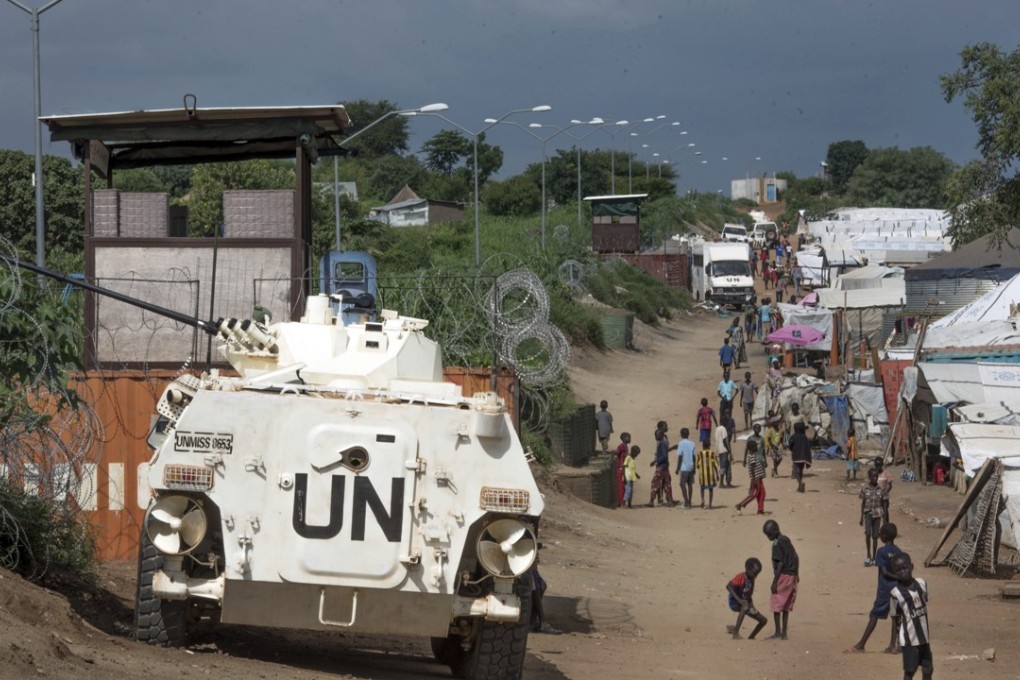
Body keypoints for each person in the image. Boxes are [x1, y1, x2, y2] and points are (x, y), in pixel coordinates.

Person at [846, 522, 902, 654]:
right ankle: (892, 645)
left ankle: (861, 644)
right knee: (895, 616)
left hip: (885, 588)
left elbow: (884, 572)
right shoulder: (898, 551)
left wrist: (893, 577)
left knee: (874, 615)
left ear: (884, 536)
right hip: (897, 588)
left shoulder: (881, 552)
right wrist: (899, 578)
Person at [889, 552, 933, 680]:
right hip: (909, 640)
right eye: (898, 570)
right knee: (910, 671)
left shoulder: (922, 584)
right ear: (894, 572)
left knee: (928, 668)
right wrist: (893, 642)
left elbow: (924, 601)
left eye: (905, 568)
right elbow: (895, 619)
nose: (902, 572)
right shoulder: (895, 593)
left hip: (924, 637)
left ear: (911, 567)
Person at [762, 519, 799, 640]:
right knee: (786, 605)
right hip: (792, 576)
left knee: (776, 604)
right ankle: (784, 634)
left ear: (775, 531)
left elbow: (780, 564)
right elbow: (796, 556)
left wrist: (774, 582)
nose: (768, 537)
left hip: (782, 576)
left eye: (769, 535)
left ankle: (778, 632)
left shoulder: (777, 544)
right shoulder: (786, 539)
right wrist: (796, 574)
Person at [726, 557, 768, 640]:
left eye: (757, 574)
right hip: (734, 602)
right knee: (744, 607)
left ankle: (751, 638)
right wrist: (740, 601)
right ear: (748, 569)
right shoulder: (740, 577)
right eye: (754, 573)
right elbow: (729, 586)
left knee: (763, 620)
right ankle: (735, 634)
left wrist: (753, 608)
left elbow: (749, 596)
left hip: (746, 603)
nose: (755, 576)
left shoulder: (751, 580)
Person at [860, 468, 888, 565]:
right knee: (868, 534)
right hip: (868, 513)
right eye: (873, 476)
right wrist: (861, 517)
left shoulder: (881, 489)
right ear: (869, 477)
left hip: (877, 514)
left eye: (876, 476)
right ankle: (868, 555)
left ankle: (874, 557)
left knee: (875, 536)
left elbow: (884, 503)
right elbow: (863, 503)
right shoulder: (865, 489)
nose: (875, 478)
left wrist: (884, 518)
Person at [736, 440, 767, 515]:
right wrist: (754, 480)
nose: (757, 447)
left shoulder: (752, 455)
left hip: (758, 478)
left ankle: (760, 510)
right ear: (752, 448)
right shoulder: (751, 456)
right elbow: (752, 469)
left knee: (762, 493)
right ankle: (740, 505)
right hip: (756, 479)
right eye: (755, 446)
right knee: (753, 494)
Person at [648, 426, 676, 507]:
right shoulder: (663, 443)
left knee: (655, 482)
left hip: (661, 466)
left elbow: (664, 456)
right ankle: (670, 501)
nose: (655, 437)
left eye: (656, 435)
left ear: (661, 435)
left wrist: (655, 461)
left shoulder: (662, 444)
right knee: (667, 483)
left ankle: (651, 501)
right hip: (665, 466)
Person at [675, 427, 697, 508]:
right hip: (691, 466)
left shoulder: (681, 443)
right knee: (690, 484)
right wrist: (694, 467)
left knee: (682, 484)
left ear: (681, 435)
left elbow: (680, 457)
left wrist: (677, 468)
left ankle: (686, 501)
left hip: (684, 467)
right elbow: (694, 457)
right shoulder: (692, 443)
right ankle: (690, 501)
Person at [695, 440, 720, 509]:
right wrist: (717, 474)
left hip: (702, 474)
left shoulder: (699, 453)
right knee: (711, 489)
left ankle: (702, 499)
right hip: (710, 474)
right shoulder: (712, 453)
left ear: (703, 446)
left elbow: (697, 465)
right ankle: (710, 504)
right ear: (709, 446)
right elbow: (715, 465)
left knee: (702, 488)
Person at [789, 421, 812, 493]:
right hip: (804, 458)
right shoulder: (804, 437)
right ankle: (799, 487)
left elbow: (790, 445)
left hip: (796, 457)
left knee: (796, 472)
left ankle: (800, 483)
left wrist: (792, 449)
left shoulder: (794, 436)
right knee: (801, 471)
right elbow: (808, 447)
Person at [714, 415, 733, 488]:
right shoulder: (723, 429)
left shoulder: (717, 429)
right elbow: (724, 440)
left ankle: (728, 482)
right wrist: (729, 450)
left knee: (726, 465)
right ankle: (722, 483)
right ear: (724, 422)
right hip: (724, 450)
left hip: (719, 449)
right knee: (724, 466)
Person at [614, 432, 631, 508]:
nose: (630, 439)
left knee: (623, 486)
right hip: (621, 469)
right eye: (628, 437)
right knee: (621, 487)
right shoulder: (621, 446)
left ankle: (621, 502)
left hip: (624, 469)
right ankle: (621, 503)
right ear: (624, 438)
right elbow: (616, 453)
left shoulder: (625, 446)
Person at [623, 444, 640, 509]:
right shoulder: (628, 458)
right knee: (628, 489)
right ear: (633, 452)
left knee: (631, 491)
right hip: (627, 476)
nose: (637, 455)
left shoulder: (633, 459)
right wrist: (624, 476)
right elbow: (624, 466)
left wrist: (636, 475)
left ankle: (629, 504)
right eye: (636, 454)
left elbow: (632, 468)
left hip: (632, 477)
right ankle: (624, 502)